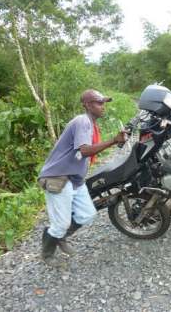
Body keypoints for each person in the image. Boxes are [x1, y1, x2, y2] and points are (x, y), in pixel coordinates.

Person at [38, 89, 127, 265]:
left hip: (74, 179)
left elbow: (89, 151)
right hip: (58, 177)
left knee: (87, 214)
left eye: (104, 103)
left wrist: (117, 142)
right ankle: (47, 254)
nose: (103, 107)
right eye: (99, 103)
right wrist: (113, 140)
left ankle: (60, 236)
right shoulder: (82, 121)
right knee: (60, 224)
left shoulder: (92, 125)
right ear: (87, 105)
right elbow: (85, 150)